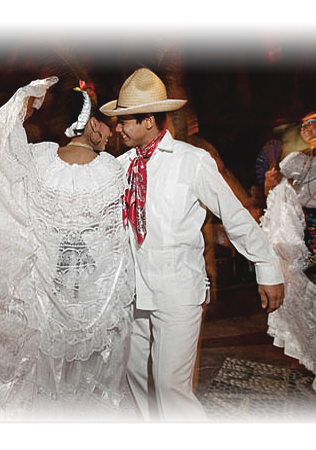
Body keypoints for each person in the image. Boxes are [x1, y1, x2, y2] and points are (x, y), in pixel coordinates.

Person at [0, 77, 136, 421]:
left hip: (44, 307)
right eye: (106, 125)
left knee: (43, 393)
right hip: (97, 305)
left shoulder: (37, 163)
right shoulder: (113, 171)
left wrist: (19, 108)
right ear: (91, 122)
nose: (110, 133)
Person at [100, 68, 285, 421]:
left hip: (178, 291)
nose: (118, 128)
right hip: (131, 294)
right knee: (135, 380)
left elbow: (233, 215)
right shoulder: (119, 167)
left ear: (149, 120)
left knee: (171, 387)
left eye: (125, 121)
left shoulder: (191, 160)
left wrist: (267, 267)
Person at [261, 111, 316, 390]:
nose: (308, 129)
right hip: (309, 239)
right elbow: (287, 191)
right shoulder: (299, 162)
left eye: (312, 124)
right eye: (305, 125)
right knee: (308, 298)